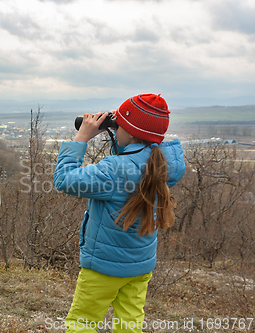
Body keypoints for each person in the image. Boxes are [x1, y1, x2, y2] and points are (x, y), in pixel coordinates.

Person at [53, 94, 186, 333]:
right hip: (140, 268)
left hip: (104, 267)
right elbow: (135, 157)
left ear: (132, 132)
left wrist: (82, 136)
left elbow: (64, 180)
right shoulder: (164, 164)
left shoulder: (114, 170)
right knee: (129, 324)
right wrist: (124, 131)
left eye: (119, 125)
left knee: (82, 321)